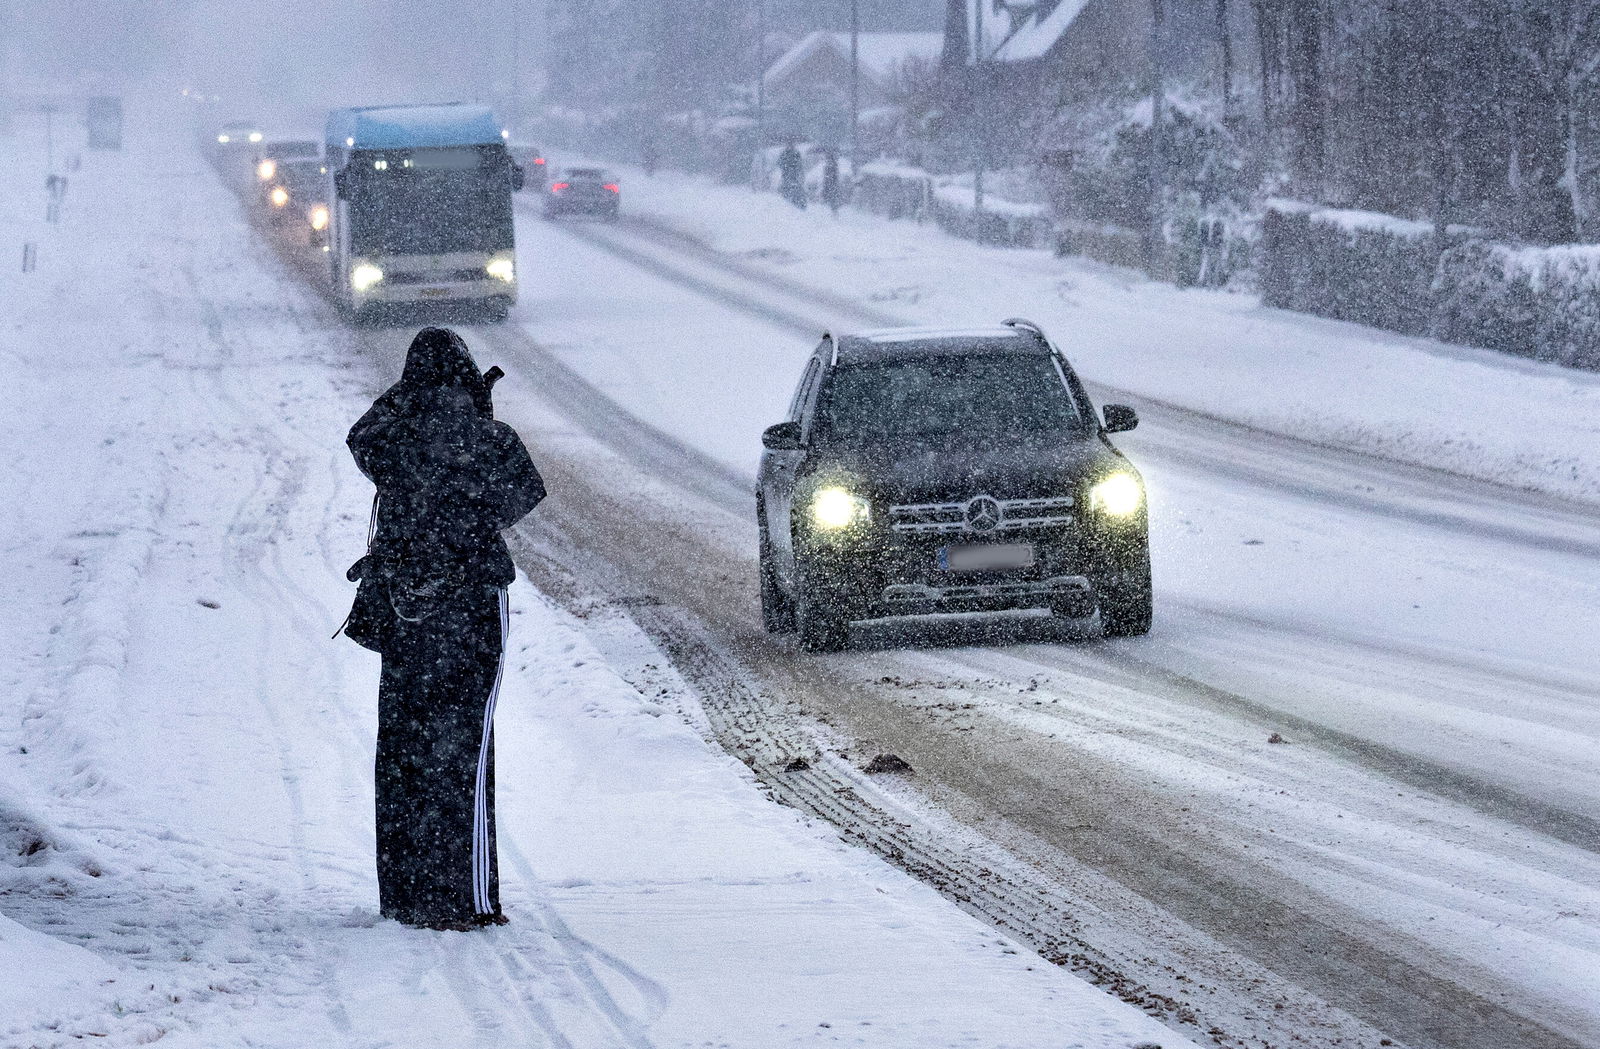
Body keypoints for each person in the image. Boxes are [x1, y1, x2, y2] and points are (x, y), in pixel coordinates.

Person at [345, 327, 546, 931]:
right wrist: (474, 418)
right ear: (466, 377)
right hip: (473, 609)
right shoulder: (491, 441)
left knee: (404, 751)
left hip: (408, 608)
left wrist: (414, 403)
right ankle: (466, 899)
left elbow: (363, 434)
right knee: (464, 750)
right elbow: (523, 494)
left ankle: (406, 896)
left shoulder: (392, 438)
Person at [778, 141, 806, 209]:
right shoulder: (790, 153)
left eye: (791, 145)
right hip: (789, 176)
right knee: (790, 189)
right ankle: (790, 203)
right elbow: (780, 163)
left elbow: (799, 165)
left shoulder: (789, 153)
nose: (790, 146)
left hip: (791, 176)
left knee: (791, 189)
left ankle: (791, 203)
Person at [821, 147, 841, 215]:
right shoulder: (829, 167)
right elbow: (826, 177)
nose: (827, 161)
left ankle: (834, 212)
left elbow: (834, 177)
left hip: (832, 185)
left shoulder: (833, 167)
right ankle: (832, 212)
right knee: (831, 199)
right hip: (830, 185)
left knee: (832, 199)